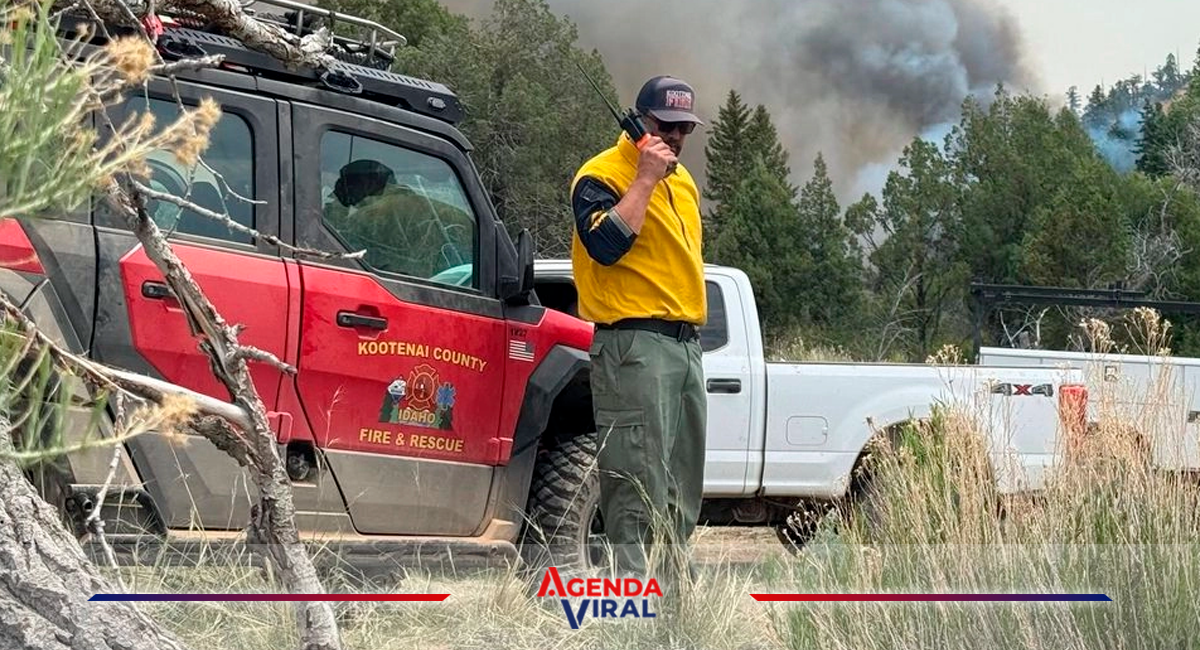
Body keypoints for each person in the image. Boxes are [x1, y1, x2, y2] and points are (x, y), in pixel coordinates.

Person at [568, 75, 707, 581]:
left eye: (684, 128)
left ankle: (674, 604)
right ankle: (632, 602)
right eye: (665, 126)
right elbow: (604, 246)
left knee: (681, 487)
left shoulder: (684, 183)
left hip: (684, 346)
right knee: (636, 481)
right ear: (638, 123)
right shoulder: (600, 175)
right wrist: (644, 178)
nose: (675, 137)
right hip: (633, 344)